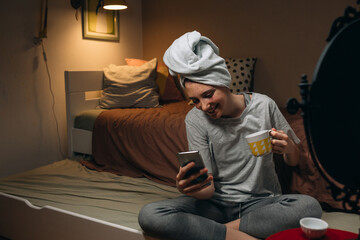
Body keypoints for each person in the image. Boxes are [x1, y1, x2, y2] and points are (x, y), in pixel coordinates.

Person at [138, 31, 322, 240]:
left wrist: (289, 148)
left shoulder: (264, 105)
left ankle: (219, 232)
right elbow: (207, 190)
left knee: (308, 207)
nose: (204, 106)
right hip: (216, 204)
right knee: (150, 215)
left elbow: (294, 160)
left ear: (223, 82)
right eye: (195, 101)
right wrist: (190, 188)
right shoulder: (195, 119)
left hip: (261, 203)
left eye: (208, 95)